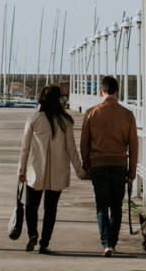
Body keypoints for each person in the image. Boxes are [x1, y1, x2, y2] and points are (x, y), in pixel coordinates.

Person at [17, 84, 87, 254]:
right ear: (58, 100)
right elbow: (71, 149)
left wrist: (21, 169)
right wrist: (80, 170)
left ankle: (32, 234)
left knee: (31, 206)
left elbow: (25, 147)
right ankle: (44, 242)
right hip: (58, 172)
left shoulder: (33, 118)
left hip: (35, 171)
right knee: (51, 209)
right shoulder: (65, 121)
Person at [80, 75, 138, 256]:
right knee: (116, 207)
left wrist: (87, 165)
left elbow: (84, 143)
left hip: (98, 166)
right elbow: (133, 145)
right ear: (117, 92)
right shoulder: (127, 115)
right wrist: (132, 171)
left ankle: (106, 243)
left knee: (101, 206)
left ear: (101, 91)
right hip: (119, 166)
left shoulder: (91, 112)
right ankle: (112, 242)